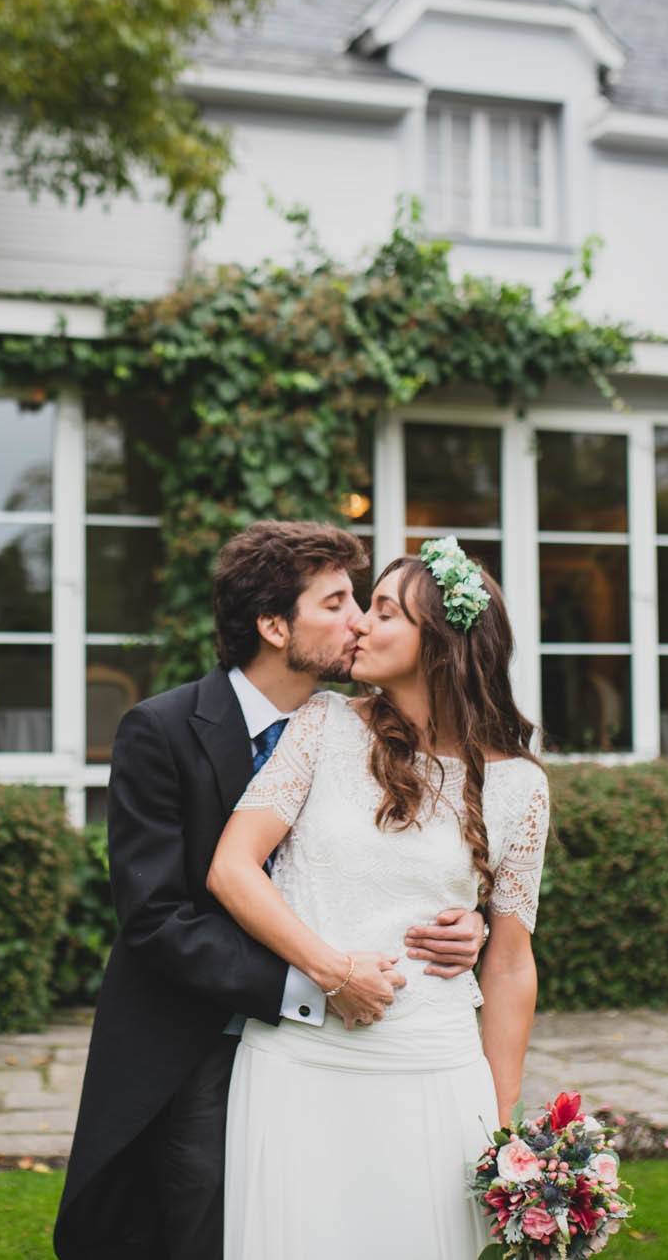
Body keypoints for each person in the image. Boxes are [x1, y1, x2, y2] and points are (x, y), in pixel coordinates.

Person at [54, 522, 488, 1260]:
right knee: (207, 1232)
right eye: (337, 603)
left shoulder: (364, 731)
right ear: (274, 626)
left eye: (363, 603)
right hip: (200, 1040)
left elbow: (401, 863)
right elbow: (157, 918)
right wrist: (316, 982)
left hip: (349, 1046)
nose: (360, 621)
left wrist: (466, 922)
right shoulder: (161, 731)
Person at [207, 537, 549, 1259]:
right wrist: (332, 971)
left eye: (385, 611)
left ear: (442, 645)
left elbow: (512, 962)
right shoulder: (322, 725)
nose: (360, 622)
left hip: (435, 1069)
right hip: (302, 1064)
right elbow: (233, 869)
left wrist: (503, 1127)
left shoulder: (521, 785)